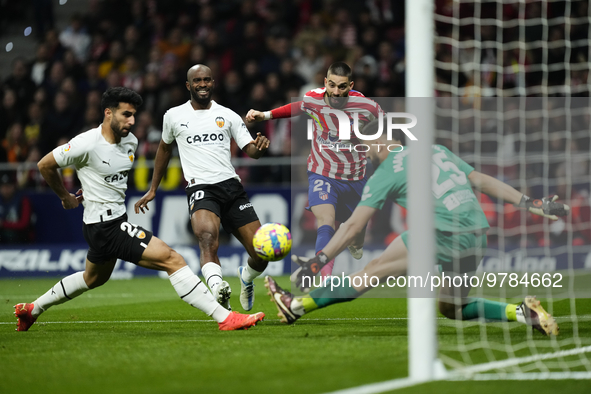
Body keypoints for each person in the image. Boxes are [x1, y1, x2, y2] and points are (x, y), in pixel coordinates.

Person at [265, 120, 569, 336]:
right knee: (453, 307)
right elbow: (480, 179)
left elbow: (355, 224)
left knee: (372, 271)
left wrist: (318, 261)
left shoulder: (387, 171)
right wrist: (530, 202)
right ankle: (521, 313)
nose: (364, 153)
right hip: (476, 232)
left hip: (442, 231)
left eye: (365, 145)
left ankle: (297, 305)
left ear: (381, 140)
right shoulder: (436, 150)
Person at [14, 87, 264, 332]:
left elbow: (103, 177)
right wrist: (65, 196)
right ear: (108, 113)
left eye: (134, 115)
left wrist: (90, 191)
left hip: (105, 224)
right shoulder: (87, 142)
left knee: (93, 278)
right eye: (126, 114)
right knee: (173, 259)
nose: (132, 121)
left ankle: (32, 309)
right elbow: (45, 164)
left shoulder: (131, 142)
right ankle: (225, 317)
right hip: (106, 226)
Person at [134, 65, 270, 312]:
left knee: (262, 253)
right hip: (201, 188)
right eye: (197, 80)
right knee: (207, 238)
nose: (203, 84)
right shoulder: (173, 116)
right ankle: (219, 289)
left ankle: (246, 278)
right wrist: (153, 188)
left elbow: (249, 149)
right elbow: (164, 149)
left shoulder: (228, 115)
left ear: (213, 83)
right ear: (188, 85)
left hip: (231, 188)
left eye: (207, 80)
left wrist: (258, 149)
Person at [246, 62, 383, 278]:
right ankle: (324, 277)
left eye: (342, 86)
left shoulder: (368, 107)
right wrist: (265, 115)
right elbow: (296, 107)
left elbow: (385, 134)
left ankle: (356, 240)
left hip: (356, 176)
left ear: (351, 85)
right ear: (325, 82)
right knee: (326, 221)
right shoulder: (313, 98)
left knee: (355, 234)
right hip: (323, 172)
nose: (336, 92)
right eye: (332, 85)